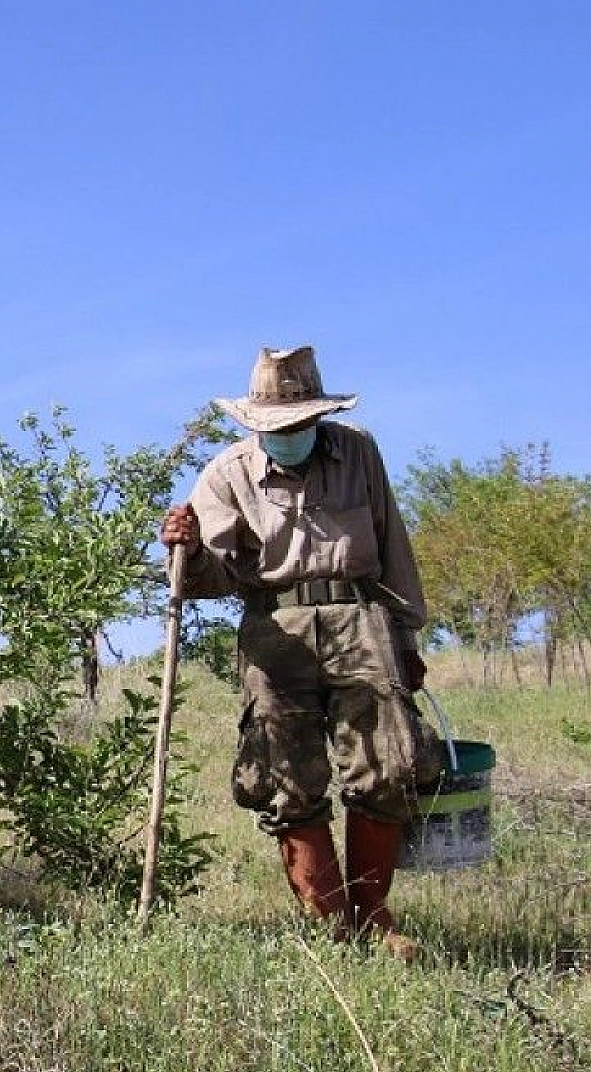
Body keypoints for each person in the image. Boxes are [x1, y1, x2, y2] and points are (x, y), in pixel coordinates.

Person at [161, 345, 438, 961]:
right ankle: (334, 928)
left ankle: (374, 918)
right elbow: (207, 579)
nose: (285, 436)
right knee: (285, 779)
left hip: (361, 619)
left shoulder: (358, 450)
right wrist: (185, 549)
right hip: (274, 627)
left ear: (317, 416)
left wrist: (407, 634)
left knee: (389, 764)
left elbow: (394, 541)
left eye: (297, 424)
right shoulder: (225, 474)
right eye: (273, 428)